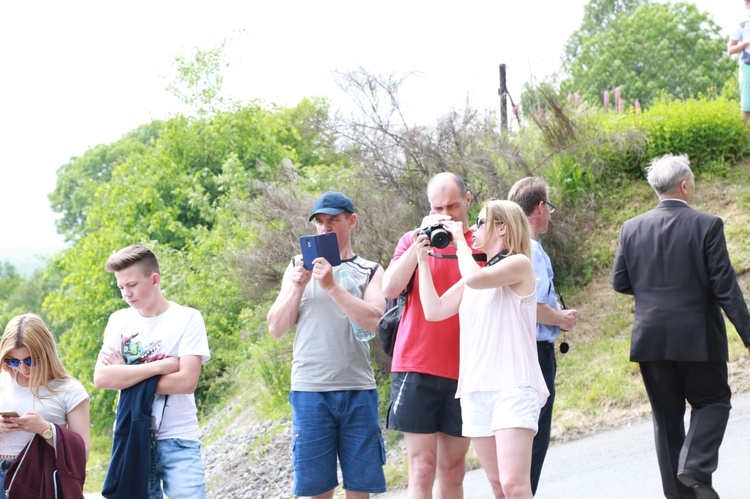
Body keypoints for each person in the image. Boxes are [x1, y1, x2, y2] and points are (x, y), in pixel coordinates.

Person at [611, 154, 750, 499]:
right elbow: (724, 287)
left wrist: (652, 289)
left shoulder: (631, 228)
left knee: (667, 420)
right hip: (698, 338)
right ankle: (696, 467)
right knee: (713, 401)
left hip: (650, 340)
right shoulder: (707, 224)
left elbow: (619, 281)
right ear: (684, 185)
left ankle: (679, 494)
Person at [417, 199, 549, 499]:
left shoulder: (518, 263)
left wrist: (459, 245)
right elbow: (434, 310)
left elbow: (476, 279)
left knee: (515, 486)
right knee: (498, 487)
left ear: (502, 228)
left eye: (480, 222)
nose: (472, 228)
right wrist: (423, 260)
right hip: (477, 389)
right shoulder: (475, 274)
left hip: (513, 386)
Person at [266, 191, 387, 498]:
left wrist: (332, 286)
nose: (325, 227)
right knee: (317, 489)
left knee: (360, 488)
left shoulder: (371, 269)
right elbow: (276, 328)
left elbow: (375, 321)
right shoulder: (296, 267)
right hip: (310, 391)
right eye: (320, 221)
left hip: (358, 388)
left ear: (352, 221)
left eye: (334, 219)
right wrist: (297, 287)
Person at [382, 172, 483, 498]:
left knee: (453, 471)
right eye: (437, 208)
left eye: (452, 206)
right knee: (421, 468)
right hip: (416, 364)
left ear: (468, 200)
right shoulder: (411, 240)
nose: (445, 214)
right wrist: (418, 246)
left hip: (464, 369)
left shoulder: (480, 245)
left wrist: (460, 241)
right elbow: (390, 288)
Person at [94, 244, 211, 499]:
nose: (126, 293)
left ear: (154, 279)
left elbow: (186, 382)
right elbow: (102, 378)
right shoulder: (119, 320)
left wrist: (126, 373)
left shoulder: (188, 318)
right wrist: (160, 367)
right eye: (121, 287)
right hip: (132, 436)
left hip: (178, 437)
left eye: (132, 285)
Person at [508, 177, 578, 494]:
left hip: (514, 352)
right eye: (548, 208)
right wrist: (561, 317)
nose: (549, 214)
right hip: (535, 352)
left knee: (519, 440)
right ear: (539, 208)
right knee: (534, 440)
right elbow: (531, 304)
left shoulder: (508, 245)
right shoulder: (531, 250)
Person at [0, 313, 90, 491]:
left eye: (30, 360)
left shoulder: (69, 389)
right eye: (12, 361)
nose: (22, 368)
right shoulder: (2, 382)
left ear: (46, 353)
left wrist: (46, 430)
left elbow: (83, 452)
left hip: (39, 479)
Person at [728, 0, 750, 124]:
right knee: (747, 107)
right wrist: (746, 44)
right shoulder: (742, 25)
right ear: (747, 4)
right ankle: (745, 141)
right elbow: (730, 50)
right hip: (747, 66)